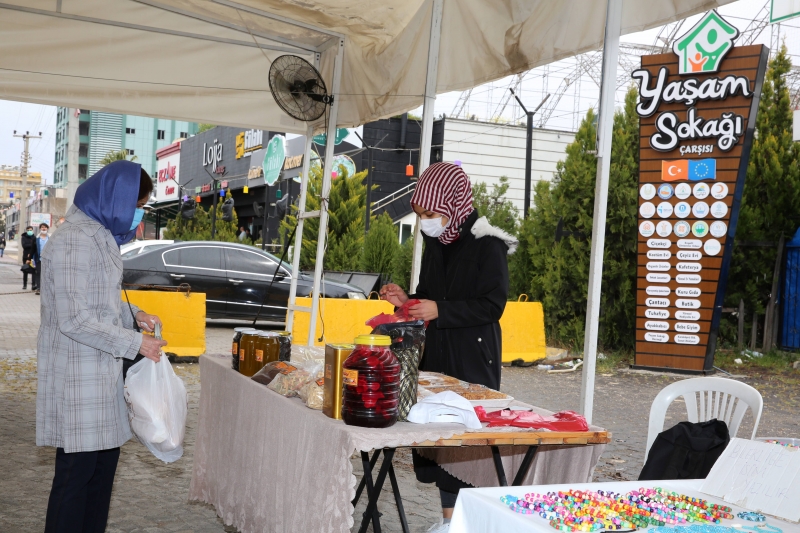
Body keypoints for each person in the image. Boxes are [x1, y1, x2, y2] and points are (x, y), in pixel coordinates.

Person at [379, 162, 517, 533]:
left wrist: (440, 309)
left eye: (430, 213)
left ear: (453, 204)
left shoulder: (489, 245)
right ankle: (447, 521)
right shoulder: (438, 242)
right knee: (438, 439)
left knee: (464, 441)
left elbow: (493, 305)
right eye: (420, 214)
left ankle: (464, 522)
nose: (425, 221)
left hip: (472, 357)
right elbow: (430, 296)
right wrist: (406, 300)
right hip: (437, 353)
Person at [37, 160, 168, 533]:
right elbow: (74, 318)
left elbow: (100, 301)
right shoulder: (74, 239)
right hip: (78, 378)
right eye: (137, 203)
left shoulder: (99, 234)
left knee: (100, 477)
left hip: (102, 375)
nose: (137, 212)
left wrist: (135, 314)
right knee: (75, 482)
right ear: (116, 198)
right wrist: (136, 343)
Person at [31, 223, 49, 295]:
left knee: (47, 274)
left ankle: (46, 288)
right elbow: (33, 249)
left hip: (48, 259)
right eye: (42, 227)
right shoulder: (36, 239)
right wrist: (30, 258)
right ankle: (39, 288)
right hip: (39, 259)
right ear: (40, 229)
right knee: (38, 273)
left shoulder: (50, 238)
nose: (43, 228)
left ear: (47, 228)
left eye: (45, 227)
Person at [21, 225, 36, 290]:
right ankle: (25, 285)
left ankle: (33, 285)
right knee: (25, 270)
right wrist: (32, 245)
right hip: (26, 256)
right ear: (26, 230)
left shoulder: (34, 237)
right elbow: (24, 245)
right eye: (28, 230)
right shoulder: (24, 237)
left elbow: (36, 246)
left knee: (33, 271)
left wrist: (32, 246)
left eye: (31, 230)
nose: (30, 231)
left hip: (32, 256)